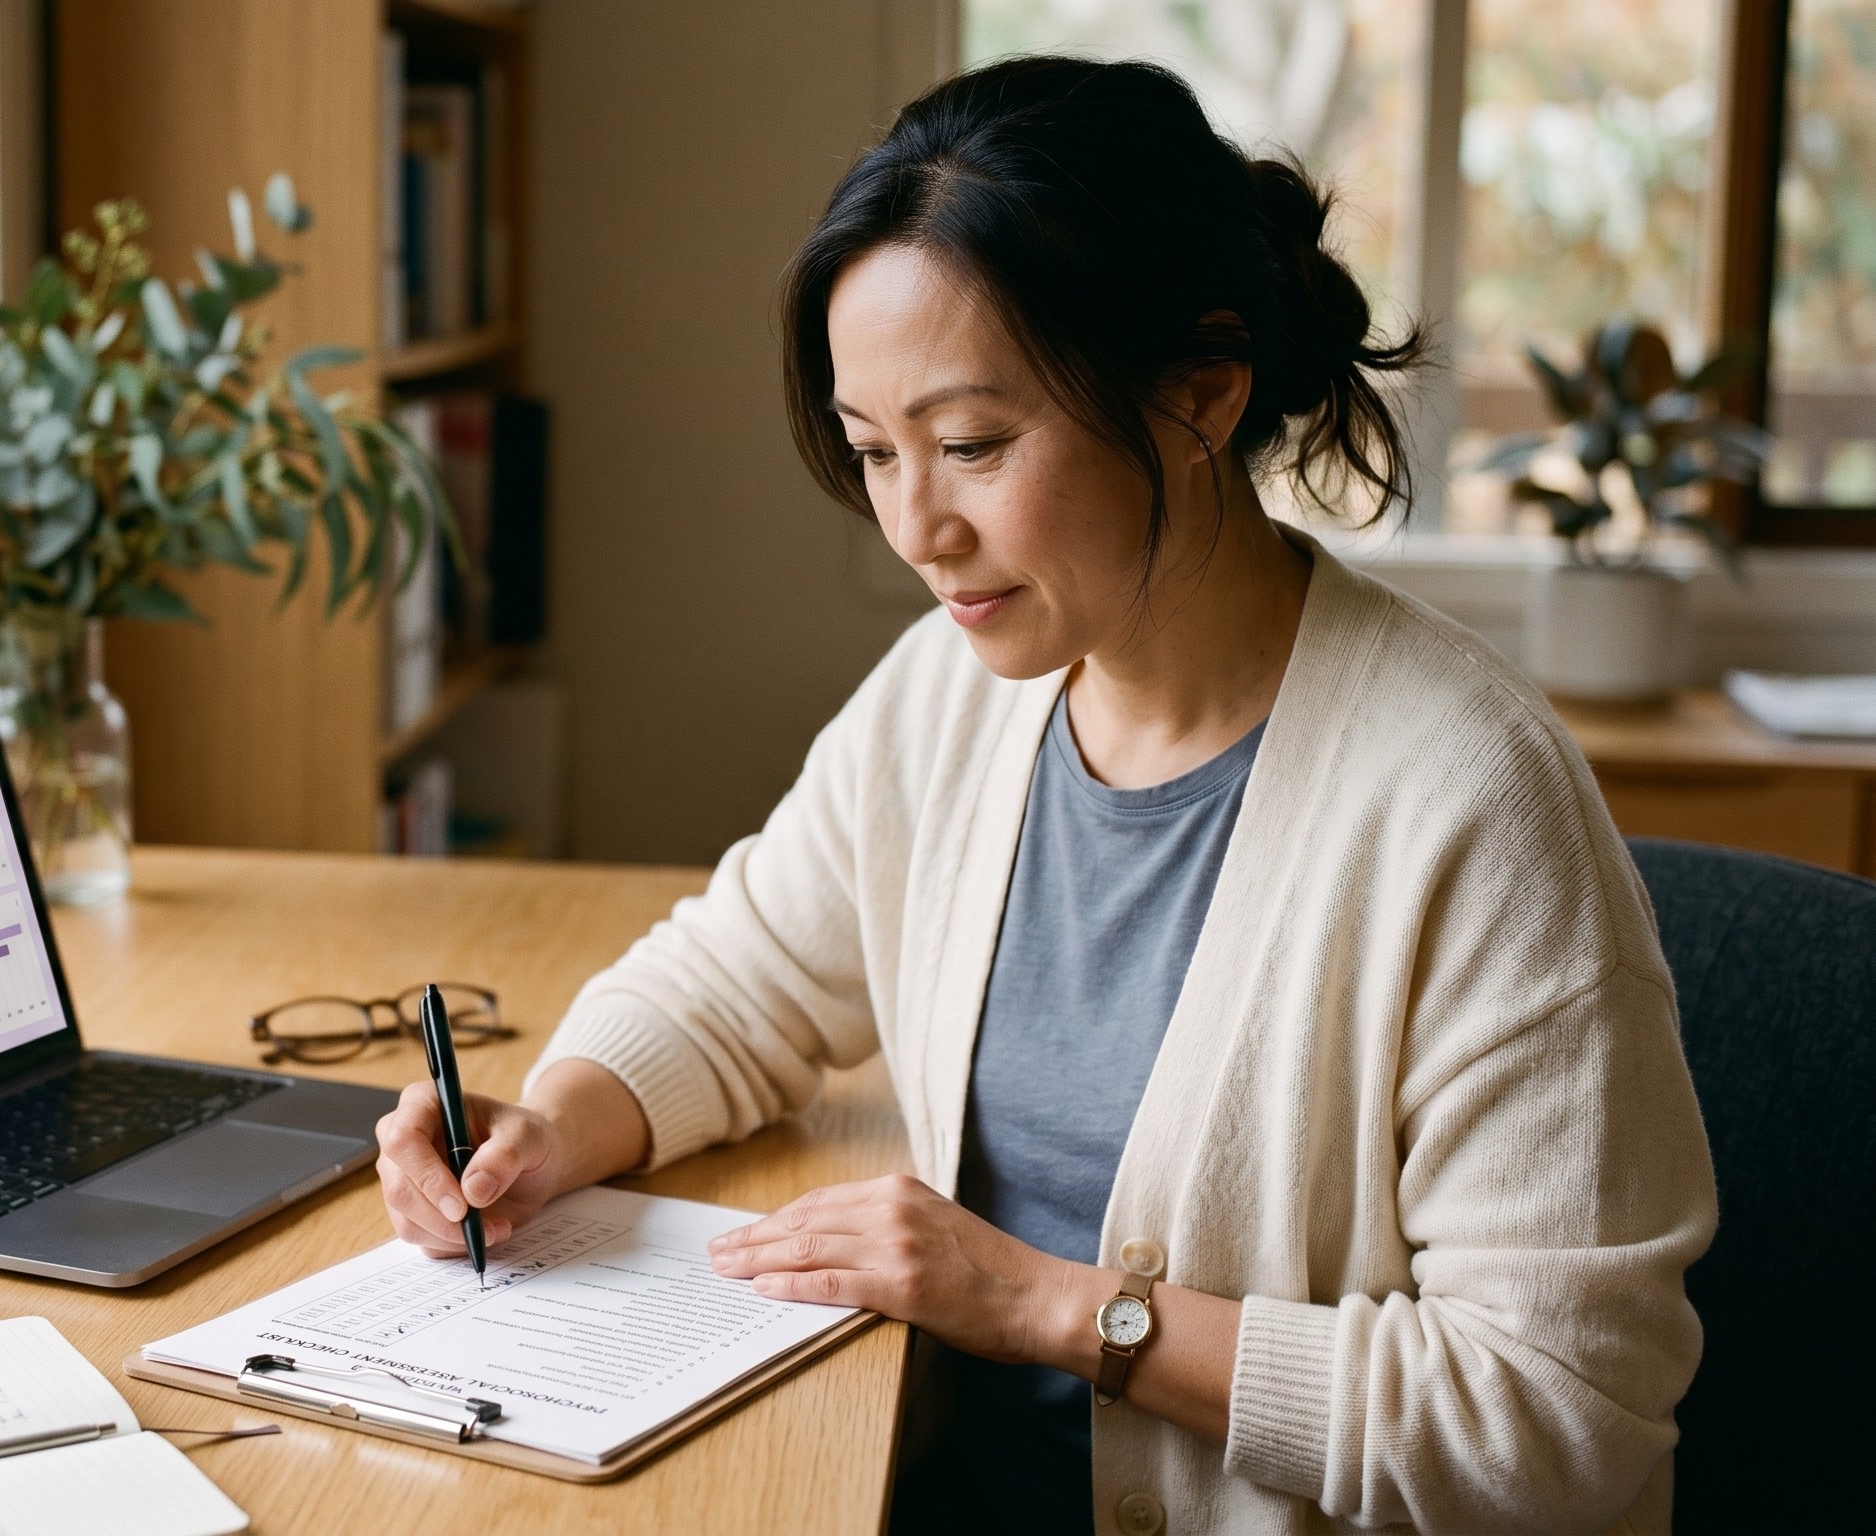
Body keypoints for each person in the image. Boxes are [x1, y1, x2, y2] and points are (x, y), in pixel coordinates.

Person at [371, 55, 1716, 1534]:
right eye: (875, 453)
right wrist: (547, 1129)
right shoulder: (956, 695)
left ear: (1202, 391)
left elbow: (1556, 1421)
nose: (918, 526)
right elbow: (740, 978)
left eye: (972, 446)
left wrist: (1045, 1306)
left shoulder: (1468, 798)